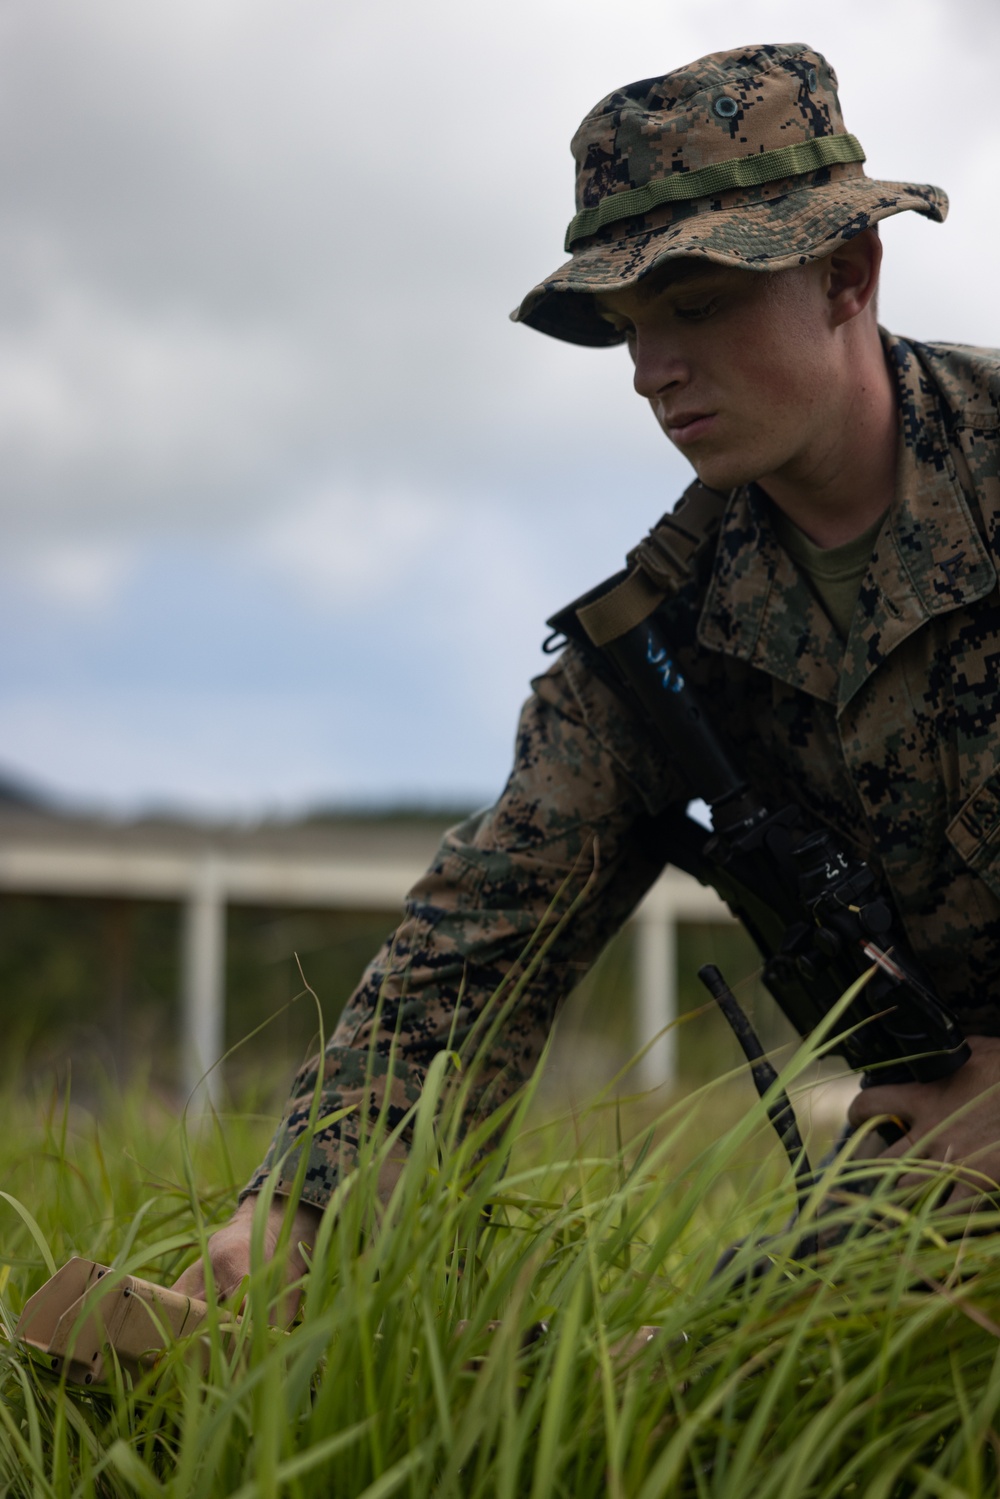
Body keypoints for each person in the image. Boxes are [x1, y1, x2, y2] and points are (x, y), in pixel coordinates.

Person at [174, 41, 1000, 1307]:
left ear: (846, 274)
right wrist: (304, 1200)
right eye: (627, 327)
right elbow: (482, 935)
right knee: (722, 1400)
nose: (650, 370)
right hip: (936, 1185)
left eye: (696, 303)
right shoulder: (657, 645)